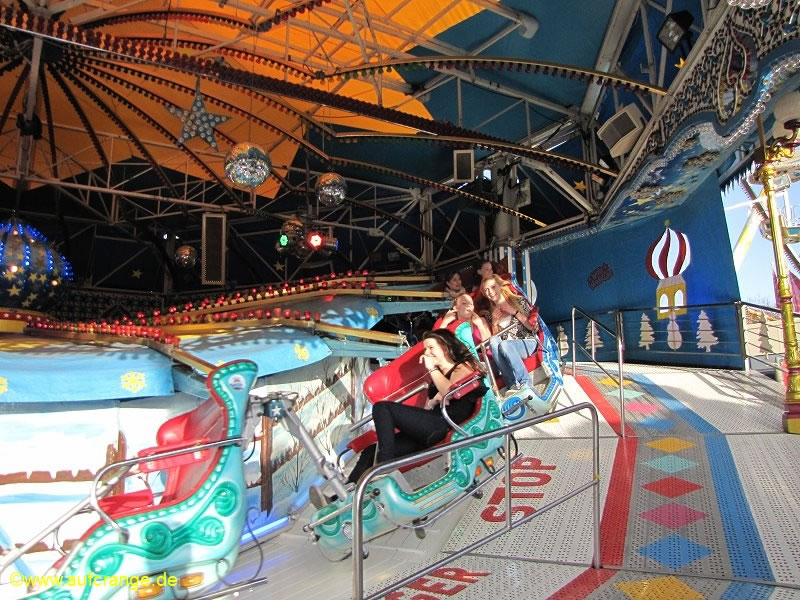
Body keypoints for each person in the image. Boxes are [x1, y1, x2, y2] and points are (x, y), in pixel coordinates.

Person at [309, 329, 487, 508]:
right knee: (371, 451)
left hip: (441, 425)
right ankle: (341, 499)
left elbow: (450, 390)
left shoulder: (461, 367)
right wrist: (433, 399)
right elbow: (433, 403)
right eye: (426, 349)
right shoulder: (439, 377)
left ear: (445, 347)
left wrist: (432, 369)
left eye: (431, 348)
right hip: (431, 426)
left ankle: (384, 466)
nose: (427, 353)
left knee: (383, 407)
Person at [480, 274, 540, 397]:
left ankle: (526, 383)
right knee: (493, 340)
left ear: (500, 286)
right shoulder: (491, 314)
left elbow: (531, 327)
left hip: (527, 341)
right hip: (505, 348)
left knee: (506, 345)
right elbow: (496, 341)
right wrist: (494, 323)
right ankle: (512, 384)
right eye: (486, 290)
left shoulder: (518, 301)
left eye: (493, 287)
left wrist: (514, 311)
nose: (490, 292)